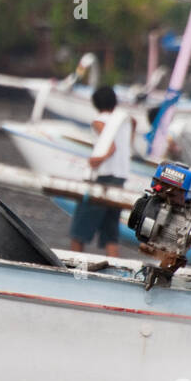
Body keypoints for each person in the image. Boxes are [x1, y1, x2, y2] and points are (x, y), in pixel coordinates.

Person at [69, 85, 134, 258]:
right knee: (110, 232)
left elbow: (110, 146)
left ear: (95, 104)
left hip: (103, 179)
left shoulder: (99, 121)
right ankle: (116, 270)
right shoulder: (124, 120)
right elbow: (132, 127)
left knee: (79, 230)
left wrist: (96, 160)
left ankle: (75, 271)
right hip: (120, 179)